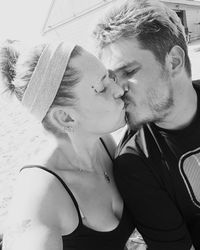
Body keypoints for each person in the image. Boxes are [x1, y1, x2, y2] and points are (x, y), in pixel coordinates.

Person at [0, 40, 135, 250]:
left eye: (110, 76)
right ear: (66, 118)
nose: (118, 90)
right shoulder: (41, 195)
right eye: (101, 88)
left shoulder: (103, 144)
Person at [93, 0, 200, 249]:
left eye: (128, 72)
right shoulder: (136, 164)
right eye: (112, 80)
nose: (118, 90)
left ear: (173, 61)